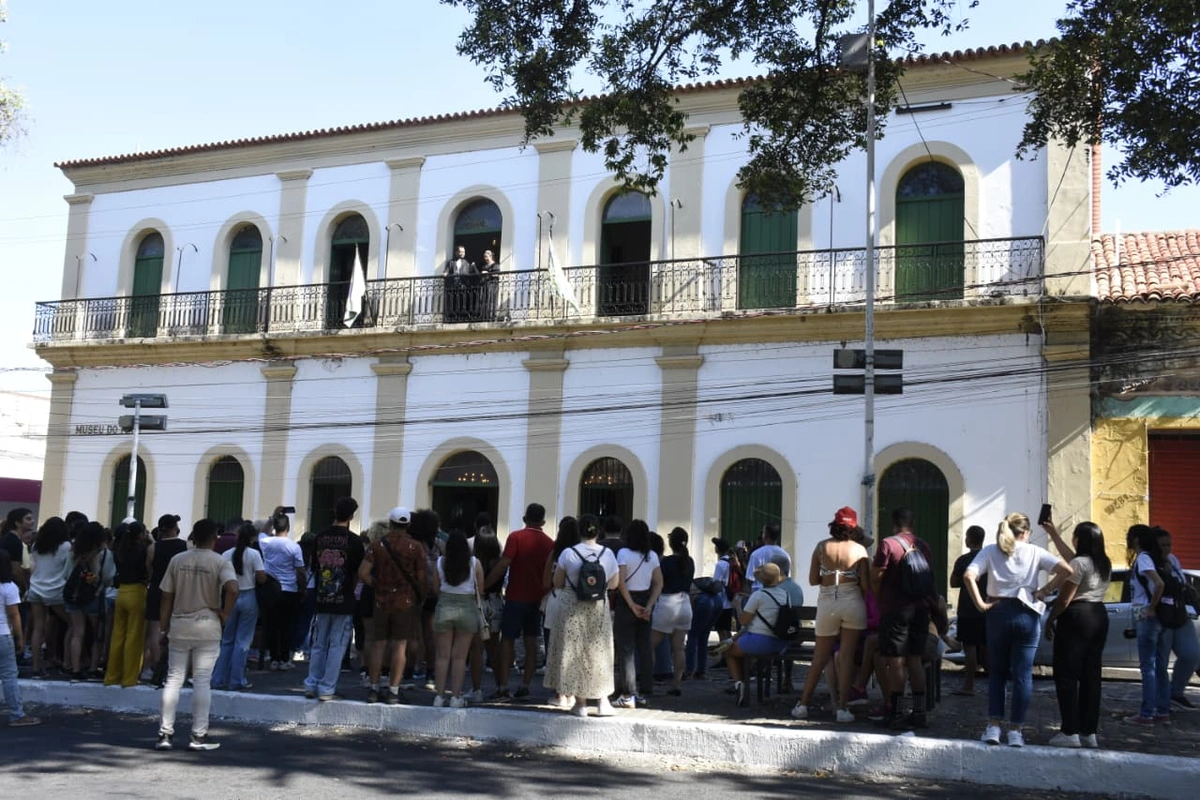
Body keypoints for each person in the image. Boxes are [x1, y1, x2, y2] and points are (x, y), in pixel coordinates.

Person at [962, 512, 1072, 748]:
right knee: (1023, 675)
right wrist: (1045, 590)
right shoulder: (1034, 551)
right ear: (1026, 532)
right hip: (1027, 612)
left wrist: (980, 603)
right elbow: (1067, 570)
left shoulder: (991, 550)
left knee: (997, 673)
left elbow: (968, 575)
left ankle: (993, 726)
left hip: (998, 610)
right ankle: (1016, 730)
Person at [154, 519, 237, 751]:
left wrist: (163, 628)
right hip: (208, 625)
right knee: (201, 681)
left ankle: (164, 733)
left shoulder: (178, 560)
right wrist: (225, 614)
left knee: (173, 679)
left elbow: (166, 597)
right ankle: (198, 736)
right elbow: (233, 589)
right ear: (214, 538)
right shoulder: (220, 562)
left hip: (179, 625)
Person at [793, 507, 869, 723]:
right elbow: (865, 585)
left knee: (819, 658)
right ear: (853, 528)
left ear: (834, 525)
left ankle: (803, 705)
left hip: (828, 602)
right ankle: (843, 709)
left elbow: (813, 580)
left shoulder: (820, 547)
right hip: (852, 601)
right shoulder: (860, 551)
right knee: (846, 658)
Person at [1043, 520, 1112, 748]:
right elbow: (1071, 558)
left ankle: (1069, 730)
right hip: (1098, 615)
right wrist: (1053, 533)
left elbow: (1065, 598)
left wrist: (1051, 618)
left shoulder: (1079, 564)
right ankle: (1088, 732)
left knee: (1066, 674)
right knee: (1091, 676)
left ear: (1080, 539)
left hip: (1077, 616)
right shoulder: (1103, 562)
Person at [545, 514, 620, 717]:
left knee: (573, 652)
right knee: (600, 653)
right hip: (598, 608)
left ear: (579, 531)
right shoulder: (608, 554)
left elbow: (557, 582)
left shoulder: (568, 554)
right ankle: (603, 701)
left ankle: (580, 704)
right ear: (598, 531)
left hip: (572, 608)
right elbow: (613, 584)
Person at [870, 508, 937, 729]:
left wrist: (880, 601)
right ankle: (919, 713)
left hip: (896, 610)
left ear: (894, 524)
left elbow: (877, 578)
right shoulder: (923, 545)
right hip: (920, 609)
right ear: (912, 523)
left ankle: (896, 713)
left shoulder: (887, 544)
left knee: (896, 661)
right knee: (915, 659)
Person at [485, 503, 554, 700]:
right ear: (542, 521)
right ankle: (525, 685)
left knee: (507, 641)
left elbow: (504, 564)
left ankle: (503, 686)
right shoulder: (549, 543)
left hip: (515, 596)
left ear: (525, 519)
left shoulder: (515, 537)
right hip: (536, 597)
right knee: (531, 641)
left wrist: (486, 584)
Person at [357, 507, 426, 704]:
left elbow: (363, 573)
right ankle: (393, 691)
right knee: (399, 647)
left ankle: (373, 687)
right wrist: (418, 595)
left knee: (379, 645)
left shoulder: (377, 545)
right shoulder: (416, 547)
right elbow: (421, 578)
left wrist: (378, 585)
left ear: (391, 524)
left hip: (381, 600)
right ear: (408, 525)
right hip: (405, 601)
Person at [303, 498, 366, 701]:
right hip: (344, 597)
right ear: (351, 516)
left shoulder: (319, 537)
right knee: (337, 644)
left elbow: (314, 566)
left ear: (334, 511)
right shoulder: (355, 542)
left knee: (319, 643)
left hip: (321, 596)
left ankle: (311, 683)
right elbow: (357, 572)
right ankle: (327, 687)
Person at [720, 562, 791, 706]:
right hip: (781, 642)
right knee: (740, 650)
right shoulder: (786, 595)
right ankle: (743, 683)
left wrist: (738, 606)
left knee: (728, 651)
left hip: (760, 641)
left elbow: (744, 620)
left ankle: (739, 684)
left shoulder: (758, 595)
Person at [431, 530, 485, 707]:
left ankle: (438, 696)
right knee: (460, 657)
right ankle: (455, 697)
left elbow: (435, 588)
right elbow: (481, 590)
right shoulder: (474, 563)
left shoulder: (440, 562)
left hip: (444, 607)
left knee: (442, 655)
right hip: (467, 609)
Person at [1124, 525, 1171, 725]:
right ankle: (1163, 711)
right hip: (1161, 618)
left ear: (1135, 540)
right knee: (1160, 667)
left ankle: (1146, 714)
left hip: (1148, 617)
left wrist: (1151, 608)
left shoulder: (1143, 558)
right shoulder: (1157, 558)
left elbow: (1159, 584)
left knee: (1148, 667)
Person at [613, 519, 663, 708]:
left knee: (626, 650)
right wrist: (649, 605)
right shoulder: (652, 556)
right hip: (645, 599)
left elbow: (621, 581)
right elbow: (659, 582)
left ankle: (628, 694)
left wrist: (631, 604)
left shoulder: (624, 553)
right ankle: (645, 691)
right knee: (645, 648)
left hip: (628, 602)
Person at [211, 522, 265, 691]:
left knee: (227, 640)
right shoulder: (254, 554)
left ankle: (217, 678)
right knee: (243, 642)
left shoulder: (227, 554)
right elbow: (261, 578)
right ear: (252, 538)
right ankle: (237, 679)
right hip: (249, 596)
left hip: (230, 595)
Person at [64, 521, 115, 679]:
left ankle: (75, 669)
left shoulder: (74, 552)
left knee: (77, 633)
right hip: (94, 596)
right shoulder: (104, 553)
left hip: (73, 596)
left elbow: (66, 574)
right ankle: (93, 668)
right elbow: (108, 577)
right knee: (96, 633)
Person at [1156, 528, 1200, 711]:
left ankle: (1177, 691)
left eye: (1169, 544)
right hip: (1161, 616)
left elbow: (1181, 585)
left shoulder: (1173, 560)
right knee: (1160, 661)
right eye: (1163, 545)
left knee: (1192, 654)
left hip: (1180, 613)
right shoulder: (1148, 561)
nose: (1167, 549)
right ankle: (1161, 701)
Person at [105, 520, 152, 686]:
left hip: (121, 593)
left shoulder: (120, 550)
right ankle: (129, 677)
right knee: (134, 637)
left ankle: (112, 675)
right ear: (140, 535)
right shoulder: (142, 551)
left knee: (118, 636)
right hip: (137, 592)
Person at [25, 517, 72, 677]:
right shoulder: (66, 547)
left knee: (38, 628)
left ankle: (36, 667)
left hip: (36, 588)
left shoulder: (37, 546)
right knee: (73, 625)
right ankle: (67, 662)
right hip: (56, 589)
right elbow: (68, 569)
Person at [651, 527, 695, 696]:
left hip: (667, 603)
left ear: (670, 543)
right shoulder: (689, 561)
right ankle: (676, 684)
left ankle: (649, 680)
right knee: (678, 648)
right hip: (684, 604)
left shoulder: (666, 562)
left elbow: (658, 582)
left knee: (650, 645)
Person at [260, 512, 306, 671]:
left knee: (272, 625)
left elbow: (262, 532)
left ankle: (274, 658)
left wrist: (271, 518)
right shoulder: (294, 546)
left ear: (275, 526)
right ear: (288, 527)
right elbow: (300, 571)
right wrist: (303, 587)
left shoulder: (266, 541)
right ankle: (285, 658)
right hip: (290, 590)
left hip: (271, 589)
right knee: (287, 626)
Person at [543, 517, 581, 708]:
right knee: (573, 648)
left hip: (557, 599)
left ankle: (559, 693)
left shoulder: (556, 553)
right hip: (577, 602)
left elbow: (545, 581)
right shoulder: (580, 554)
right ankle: (571, 691)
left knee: (555, 647)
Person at [144, 514, 187, 681]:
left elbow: (148, 570)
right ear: (174, 527)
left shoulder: (153, 548)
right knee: (176, 630)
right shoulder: (186, 546)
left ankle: (156, 667)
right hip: (177, 590)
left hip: (156, 589)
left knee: (155, 631)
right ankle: (173, 666)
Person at [1, 551, 40, 726]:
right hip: (3, 635)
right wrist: (20, 638)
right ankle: (17, 715)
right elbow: (14, 615)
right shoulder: (9, 587)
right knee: (9, 676)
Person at [949, 525, 988, 695]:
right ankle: (994, 684)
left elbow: (953, 582)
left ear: (970, 539)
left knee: (970, 647)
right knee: (987, 647)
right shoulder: (990, 558)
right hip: (987, 607)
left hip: (968, 608)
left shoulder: (963, 560)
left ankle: (969, 685)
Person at [685, 538, 729, 680]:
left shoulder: (720, 564)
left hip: (705, 602)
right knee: (704, 636)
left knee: (693, 635)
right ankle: (701, 670)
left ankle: (689, 669)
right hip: (718, 602)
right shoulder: (730, 562)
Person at [470, 529, 504, 701]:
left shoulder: (476, 562)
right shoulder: (499, 561)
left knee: (477, 649)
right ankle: (500, 685)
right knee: (494, 648)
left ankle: (476, 690)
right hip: (497, 602)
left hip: (479, 602)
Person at [744, 524, 790, 592]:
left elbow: (749, 579)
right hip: (779, 593)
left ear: (766, 536)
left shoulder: (756, 554)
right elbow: (787, 577)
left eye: (763, 532)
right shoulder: (785, 555)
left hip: (759, 592)